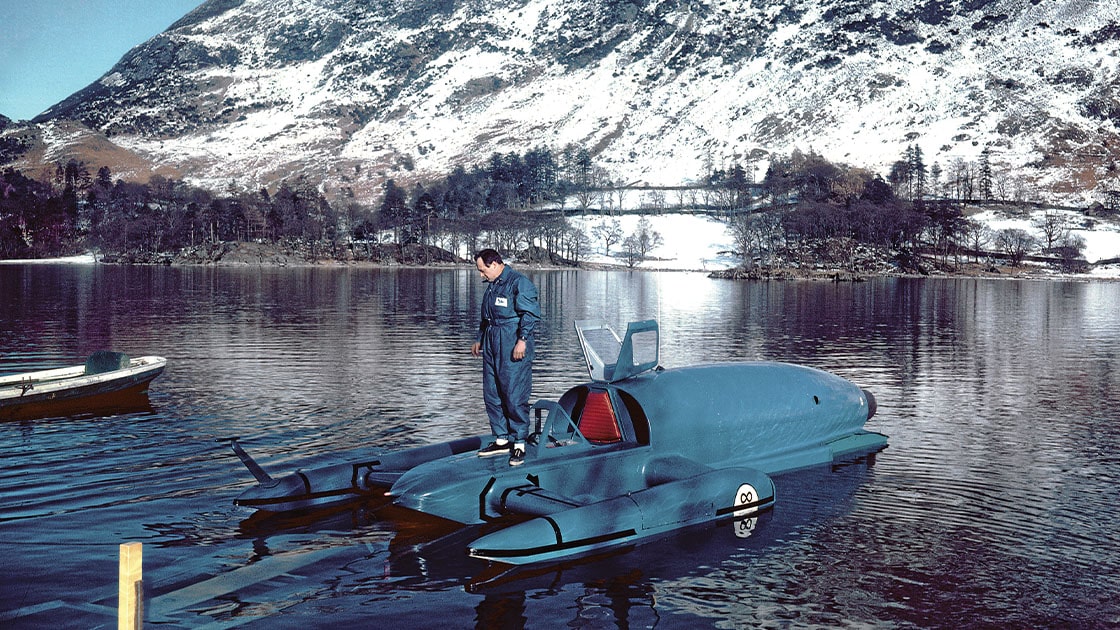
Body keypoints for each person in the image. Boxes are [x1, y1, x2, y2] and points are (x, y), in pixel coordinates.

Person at [471, 248, 540, 466]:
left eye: (483, 270)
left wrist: (523, 340)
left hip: (512, 341)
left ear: (494, 265)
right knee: (492, 392)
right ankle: (502, 439)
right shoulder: (492, 286)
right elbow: (488, 317)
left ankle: (519, 442)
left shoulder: (519, 283)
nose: (481, 275)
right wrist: (480, 339)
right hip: (492, 340)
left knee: (513, 392)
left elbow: (529, 314)